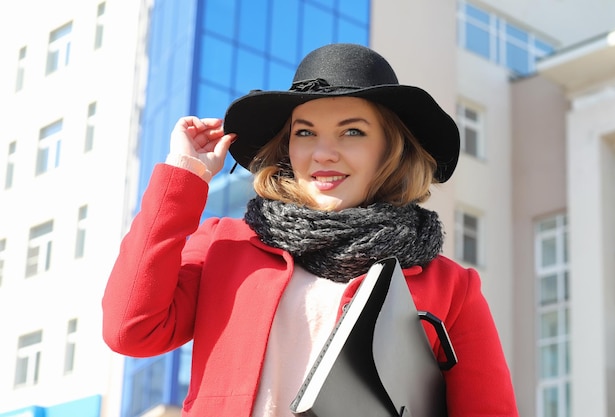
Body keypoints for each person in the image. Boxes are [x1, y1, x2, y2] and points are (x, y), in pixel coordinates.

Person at [102, 43, 519, 417]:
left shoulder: (452, 287)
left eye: (352, 131)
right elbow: (130, 330)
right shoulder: (225, 244)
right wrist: (183, 176)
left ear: (390, 149)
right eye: (305, 133)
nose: (323, 153)